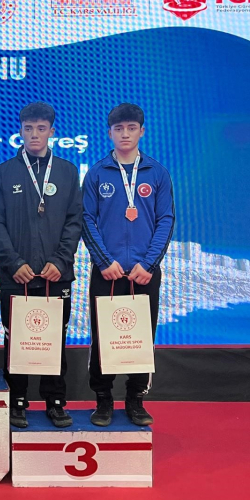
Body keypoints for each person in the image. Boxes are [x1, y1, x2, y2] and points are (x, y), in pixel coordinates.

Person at [0, 102, 82, 429]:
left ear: (52, 131)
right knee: (16, 340)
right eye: (28, 129)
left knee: (54, 339)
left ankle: (55, 401)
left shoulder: (67, 171)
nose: (34, 135)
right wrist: (13, 263)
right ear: (21, 130)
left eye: (41, 129)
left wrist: (61, 260)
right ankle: (17, 400)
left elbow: (74, 221)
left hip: (57, 276)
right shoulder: (4, 173)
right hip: (17, 276)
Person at [82, 103, 175, 426]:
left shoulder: (157, 173)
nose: (125, 134)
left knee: (141, 336)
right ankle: (103, 399)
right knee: (103, 336)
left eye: (131, 128)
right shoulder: (97, 173)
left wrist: (149, 264)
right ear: (109, 132)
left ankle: (136, 399)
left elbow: (166, 220)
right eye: (119, 129)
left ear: (141, 131)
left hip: (144, 272)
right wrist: (103, 261)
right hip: (106, 272)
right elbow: (86, 219)